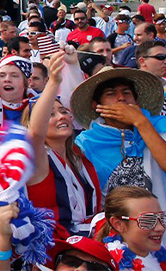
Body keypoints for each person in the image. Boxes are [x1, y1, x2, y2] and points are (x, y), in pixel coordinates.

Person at [24, 52, 103, 236]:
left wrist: (73, 65)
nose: (61, 117)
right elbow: (36, 133)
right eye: (51, 114)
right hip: (53, 251)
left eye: (63, 111)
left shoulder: (78, 156)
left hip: (88, 243)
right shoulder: (37, 157)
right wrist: (53, 82)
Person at [72, 66, 166, 194]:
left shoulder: (160, 126)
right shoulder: (86, 143)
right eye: (111, 94)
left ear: (136, 101)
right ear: (96, 105)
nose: (121, 98)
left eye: (127, 92)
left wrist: (141, 122)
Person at [97, 186, 166, 270]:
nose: (160, 228)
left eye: (162, 218)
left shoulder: (158, 255)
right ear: (118, 224)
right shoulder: (110, 266)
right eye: (148, 220)